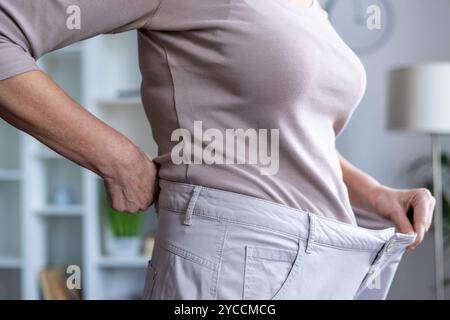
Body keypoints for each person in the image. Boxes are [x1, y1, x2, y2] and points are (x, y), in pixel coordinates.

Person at [0, 0, 435, 299]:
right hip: (235, 265)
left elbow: (292, 135)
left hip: (330, 264)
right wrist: (118, 159)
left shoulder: (311, 7)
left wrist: (374, 194)